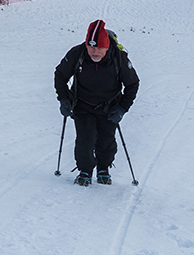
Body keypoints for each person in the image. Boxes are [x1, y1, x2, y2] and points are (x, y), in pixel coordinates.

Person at [54, 19, 139, 186]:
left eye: (99, 48)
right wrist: (64, 99)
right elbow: (60, 75)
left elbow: (132, 84)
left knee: (106, 140)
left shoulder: (119, 59)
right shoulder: (77, 53)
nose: (95, 52)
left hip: (110, 107)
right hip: (82, 105)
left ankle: (103, 168)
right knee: (85, 139)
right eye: (91, 47)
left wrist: (122, 108)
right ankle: (85, 171)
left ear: (107, 46)